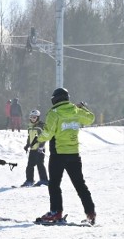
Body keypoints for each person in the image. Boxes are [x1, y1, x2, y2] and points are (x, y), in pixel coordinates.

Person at [36, 87, 97, 224]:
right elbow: (90, 119)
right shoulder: (76, 111)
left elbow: (49, 133)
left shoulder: (54, 113)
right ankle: (90, 212)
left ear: (55, 99)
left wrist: (39, 139)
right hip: (74, 154)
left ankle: (56, 212)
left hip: (58, 154)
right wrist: (83, 108)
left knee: (54, 184)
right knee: (80, 185)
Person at [21, 109, 48, 187]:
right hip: (32, 149)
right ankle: (29, 180)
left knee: (40, 164)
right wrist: (27, 145)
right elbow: (30, 137)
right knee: (30, 165)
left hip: (40, 149)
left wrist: (41, 147)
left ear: (38, 117)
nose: (33, 119)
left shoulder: (41, 126)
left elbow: (44, 137)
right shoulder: (30, 126)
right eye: (31, 117)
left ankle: (44, 180)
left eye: (34, 117)